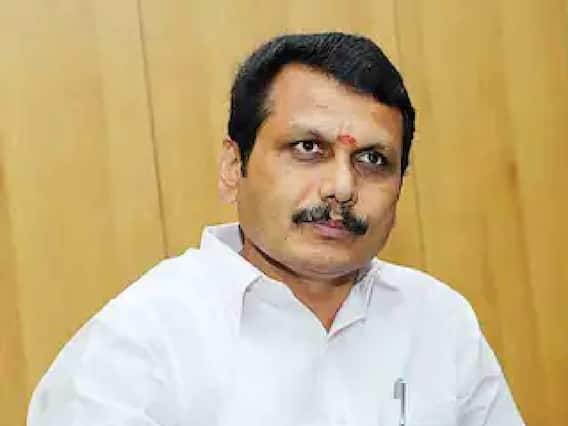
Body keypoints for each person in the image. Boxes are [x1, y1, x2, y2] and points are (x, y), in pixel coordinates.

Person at [28, 32, 525, 426]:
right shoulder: (138, 344)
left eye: (373, 159)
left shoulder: (438, 322)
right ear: (233, 166)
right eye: (308, 148)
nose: (341, 188)